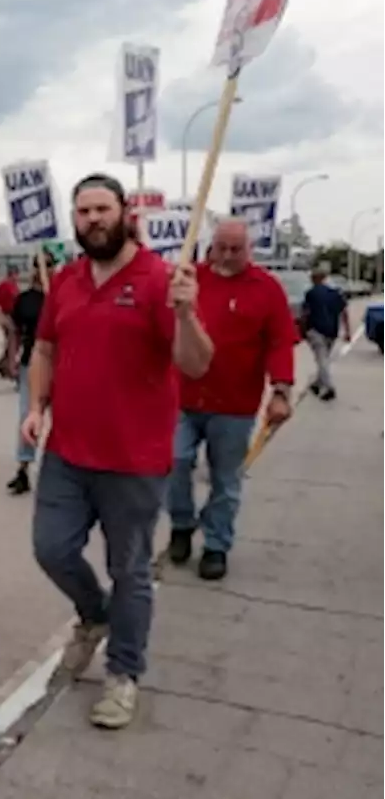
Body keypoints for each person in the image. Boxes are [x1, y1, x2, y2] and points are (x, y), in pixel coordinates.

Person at [22, 174, 213, 730]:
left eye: (102, 209)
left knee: (128, 569)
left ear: (125, 212)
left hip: (134, 458)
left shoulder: (159, 279)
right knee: (50, 549)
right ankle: (95, 615)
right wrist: (37, 407)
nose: (93, 220)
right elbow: (45, 347)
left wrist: (184, 313)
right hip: (68, 451)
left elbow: (196, 363)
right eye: (83, 212)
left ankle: (123, 674)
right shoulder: (68, 279)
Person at [167, 220, 296, 580]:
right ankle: (181, 523)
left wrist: (281, 391)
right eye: (220, 247)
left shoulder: (266, 288)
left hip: (234, 405)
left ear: (249, 249)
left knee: (226, 480)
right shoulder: (190, 281)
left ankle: (216, 545)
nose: (226, 255)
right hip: (184, 397)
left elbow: (280, 343)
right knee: (174, 462)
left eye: (235, 249)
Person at [6, 257, 48, 495]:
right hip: (30, 364)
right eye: (41, 264)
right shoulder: (24, 300)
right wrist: (11, 358)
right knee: (27, 416)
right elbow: (15, 332)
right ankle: (23, 467)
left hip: (61, 366)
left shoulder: (59, 295)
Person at [303, 266, 350, 401]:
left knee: (322, 359)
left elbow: (306, 313)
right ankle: (317, 384)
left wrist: (303, 330)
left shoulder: (311, 293)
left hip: (316, 330)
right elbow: (344, 312)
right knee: (323, 359)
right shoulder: (336, 293)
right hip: (332, 331)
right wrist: (347, 331)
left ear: (315, 279)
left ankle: (329, 387)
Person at [0, 266, 20, 379]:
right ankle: (8, 366)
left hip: (13, 315)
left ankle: (3, 364)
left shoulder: (14, 286)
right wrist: (1, 318)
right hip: (6, 315)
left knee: (13, 342)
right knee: (12, 341)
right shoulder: (4, 285)